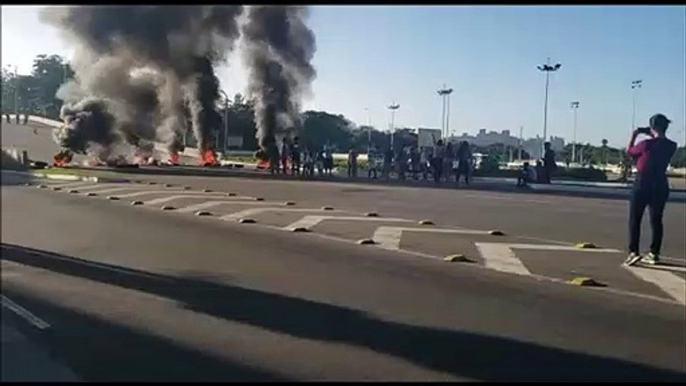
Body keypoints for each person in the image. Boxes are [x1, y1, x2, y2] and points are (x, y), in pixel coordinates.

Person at [623, 114, 677, 267]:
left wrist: (634, 135)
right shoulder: (672, 145)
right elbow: (660, 143)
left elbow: (629, 151)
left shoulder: (646, 144)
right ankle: (654, 253)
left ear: (652, 127)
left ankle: (633, 251)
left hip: (643, 181)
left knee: (635, 218)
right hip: (660, 182)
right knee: (656, 220)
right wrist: (653, 134)